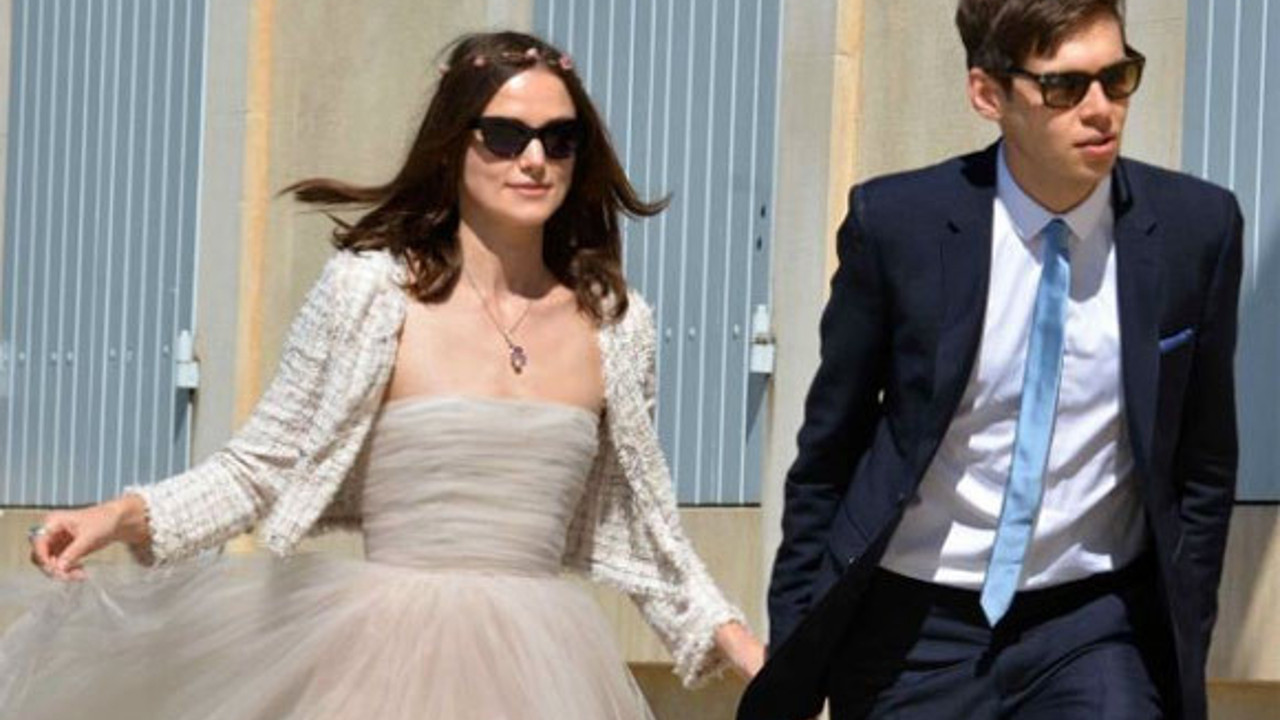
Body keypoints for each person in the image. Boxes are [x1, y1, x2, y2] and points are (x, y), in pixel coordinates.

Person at [4, 31, 763, 719]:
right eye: (505, 136)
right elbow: (262, 465)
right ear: (453, 145)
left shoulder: (617, 324)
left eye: (560, 139)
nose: (534, 159)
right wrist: (117, 516)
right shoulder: (367, 293)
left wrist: (752, 656)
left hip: (551, 676)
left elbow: (648, 531)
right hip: (380, 668)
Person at [739, 1, 1241, 719]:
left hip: (1095, 624)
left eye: (1118, 77)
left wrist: (1186, 628)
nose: (1101, 109)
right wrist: (795, 644)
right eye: (1064, 87)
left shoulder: (1197, 228)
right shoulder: (899, 226)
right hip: (914, 628)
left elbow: (1204, 462)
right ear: (988, 93)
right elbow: (829, 451)